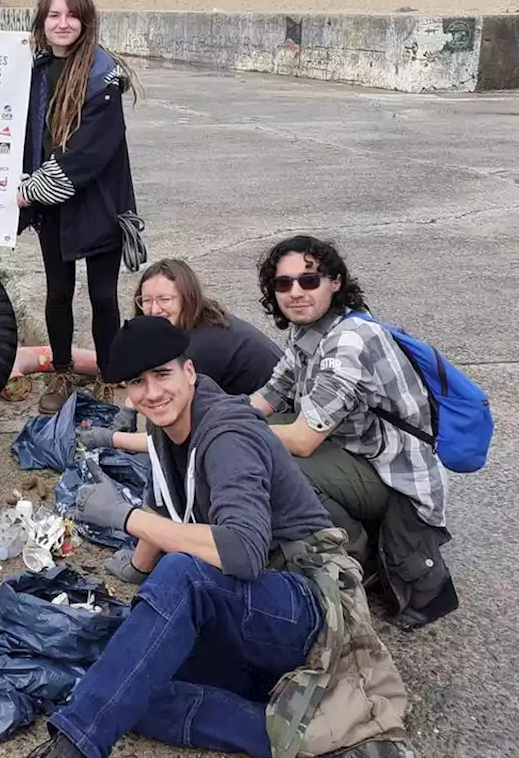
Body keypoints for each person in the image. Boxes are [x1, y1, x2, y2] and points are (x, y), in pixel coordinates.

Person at [29, 315, 411, 758]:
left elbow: (242, 552)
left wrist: (124, 517)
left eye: (162, 374)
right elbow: (165, 511)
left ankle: (73, 747)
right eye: (137, 382)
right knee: (128, 680)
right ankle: (309, 735)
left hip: (310, 607)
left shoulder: (228, 432)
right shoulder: (164, 429)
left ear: (189, 372)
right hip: (248, 612)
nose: (152, 392)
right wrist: (135, 574)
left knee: (182, 578)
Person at [251, 235, 457, 630]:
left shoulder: (348, 341)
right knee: (261, 433)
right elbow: (274, 390)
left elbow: (304, 439)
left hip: (396, 478)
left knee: (279, 459)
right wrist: (225, 417)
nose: (296, 292)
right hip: (358, 455)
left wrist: (233, 431)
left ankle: (355, 555)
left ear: (335, 282)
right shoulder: (311, 330)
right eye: (284, 283)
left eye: (308, 280)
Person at [17, 0, 140, 415]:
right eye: (54, 15)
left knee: (103, 296)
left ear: (86, 22)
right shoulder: (35, 72)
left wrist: (29, 192)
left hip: (98, 203)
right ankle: (63, 374)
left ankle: (108, 378)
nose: (62, 23)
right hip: (54, 208)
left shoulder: (103, 77)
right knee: (58, 292)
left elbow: (88, 152)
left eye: (72, 15)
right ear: (42, 21)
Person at [81, 257, 282, 453]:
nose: (154, 309)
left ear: (187, 297)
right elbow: (146, 364)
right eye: (146, 301)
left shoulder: (201, 347)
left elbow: (181, 434)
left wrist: (113, 439)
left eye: (164, 300)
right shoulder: (195, 320)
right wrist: (128, 410)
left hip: (276, 416)